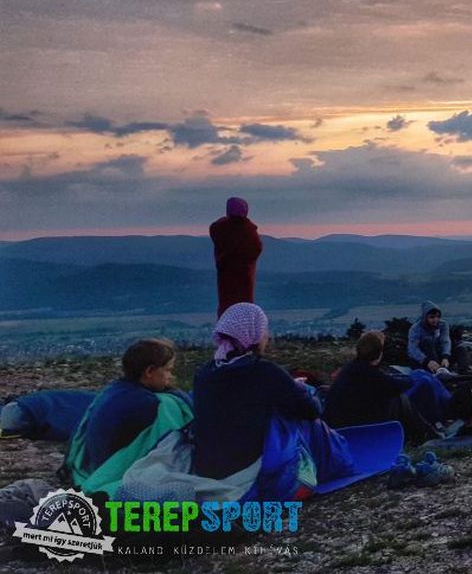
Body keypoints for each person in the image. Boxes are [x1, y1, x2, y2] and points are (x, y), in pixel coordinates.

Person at [192, 302, 350, 487]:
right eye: (264, 330)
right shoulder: (263, 370)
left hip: (207, 467)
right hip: (248, 468)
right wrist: (300, 388)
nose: (267, 335)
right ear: (253, 334)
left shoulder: (204, 373)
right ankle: (334, 466)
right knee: (306, 422)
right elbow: (311, 410)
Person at [64, 339, 193, 496]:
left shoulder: (112, 391)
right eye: (167, 370)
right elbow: (168, 449)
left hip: (92, 464)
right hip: (112, 470)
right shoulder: (154, 404)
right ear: (149, 371)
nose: (170, 377)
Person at [324, 330, 444, 444]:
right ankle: (424, 436)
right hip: (360, 432)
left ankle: (423, 434)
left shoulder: (349, 369)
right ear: (380, 353)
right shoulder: (374, 377)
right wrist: (412, 378)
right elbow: (403, 384)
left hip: (338, 431)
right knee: (400, 399)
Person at [209, 197, 263, 317]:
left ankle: (226, 325)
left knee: (226, 302)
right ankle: (244, 325)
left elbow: (214, 231)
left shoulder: (220, 228)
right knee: (244, 303)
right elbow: (257, 248)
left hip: (225, 271)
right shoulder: (248, 230)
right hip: (245, 273)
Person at [407, 301, 471, 374]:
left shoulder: (443, 325)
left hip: (439, 356)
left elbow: (445, 341)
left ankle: (464, 372)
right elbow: (413, 349)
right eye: (432, 317)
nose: (435, 320)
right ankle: (436, 371)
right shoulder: (415, 329)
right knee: (427, 344)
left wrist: (445, 356)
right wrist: (427, 361)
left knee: (460, 348)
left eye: (437, 317)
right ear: (425, 317)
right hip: (423, 360)